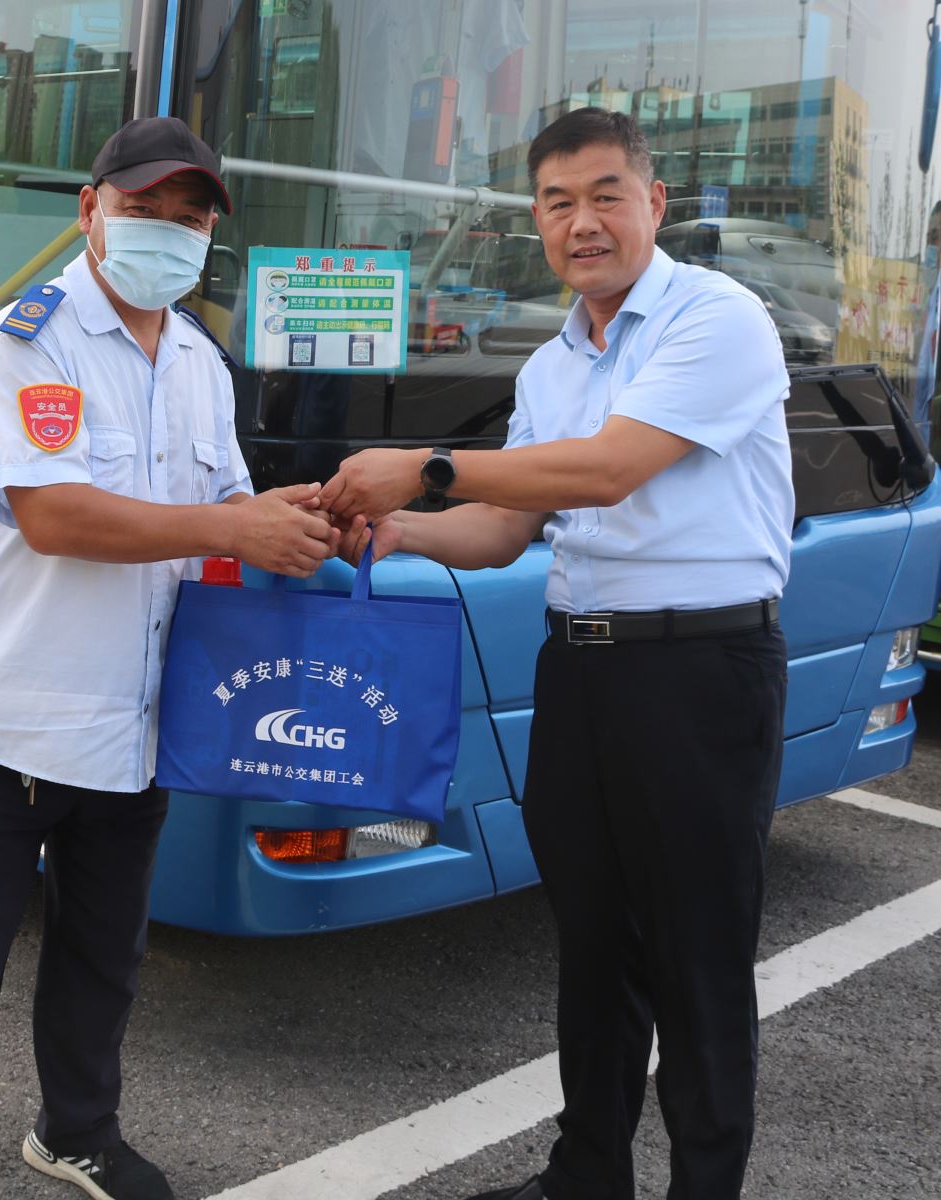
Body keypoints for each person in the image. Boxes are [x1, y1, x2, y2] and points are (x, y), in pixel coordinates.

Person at [0, 117, 337, 1200]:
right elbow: (55, 516)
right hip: (5, 722)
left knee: (102, 958)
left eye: (189, 218)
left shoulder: (200, 363)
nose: (167, 232)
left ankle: (76, 1133)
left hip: (132, 724)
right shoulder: (32, 339)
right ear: (91, 211)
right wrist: (230, 527)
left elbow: (223, 508)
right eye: (143, 209)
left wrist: (303, 520)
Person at [322, 107, 792, 1200]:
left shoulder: (716, 318)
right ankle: (585, 1177)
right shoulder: (551, 364)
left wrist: (424, 466)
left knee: (696, 955)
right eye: (557, 202)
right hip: (579, 670)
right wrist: (387, 531)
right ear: (534, 220)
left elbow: (606, 471)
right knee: (591, 939)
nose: (583, 222)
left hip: (699, 673)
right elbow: (501, 531)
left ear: (654, 203)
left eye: (605, 196)